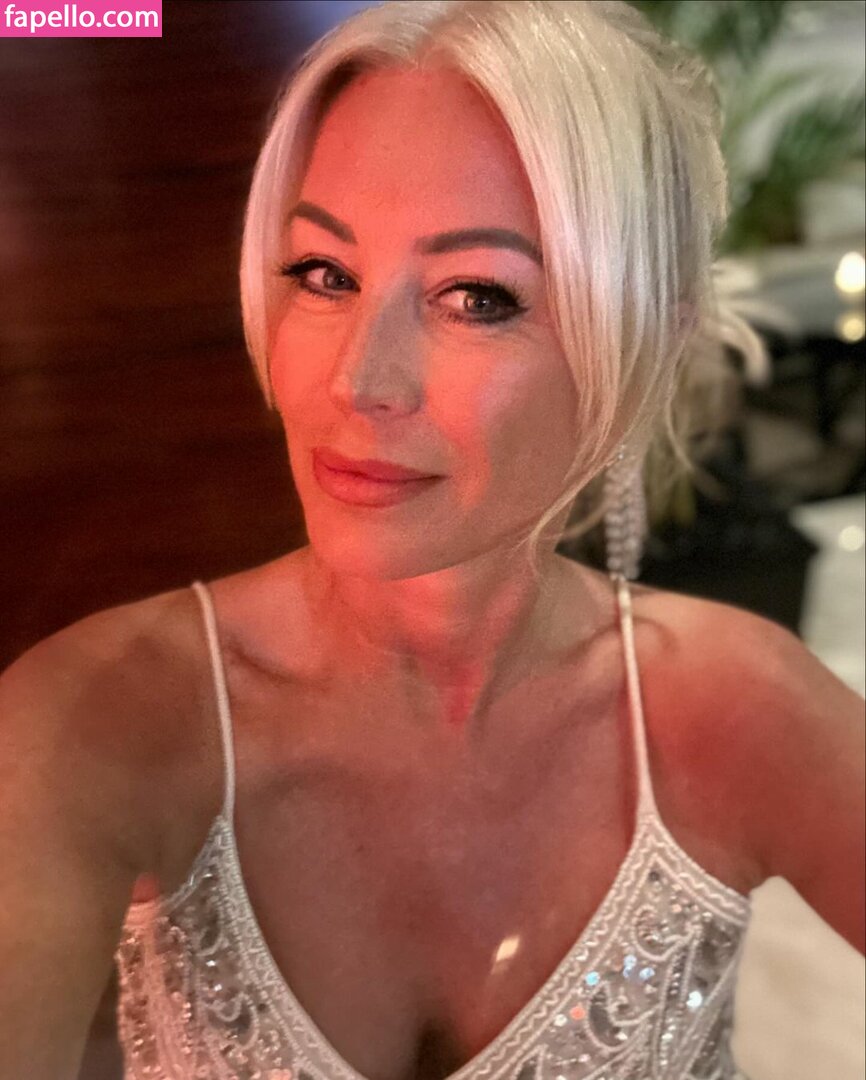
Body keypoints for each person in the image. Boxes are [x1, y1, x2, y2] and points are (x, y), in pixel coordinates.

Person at [1, 2, 863, 1078]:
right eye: (324, 274)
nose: (358, 380)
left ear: (646, 333)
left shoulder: (734, 709)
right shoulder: (92, 727)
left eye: (477, 297)